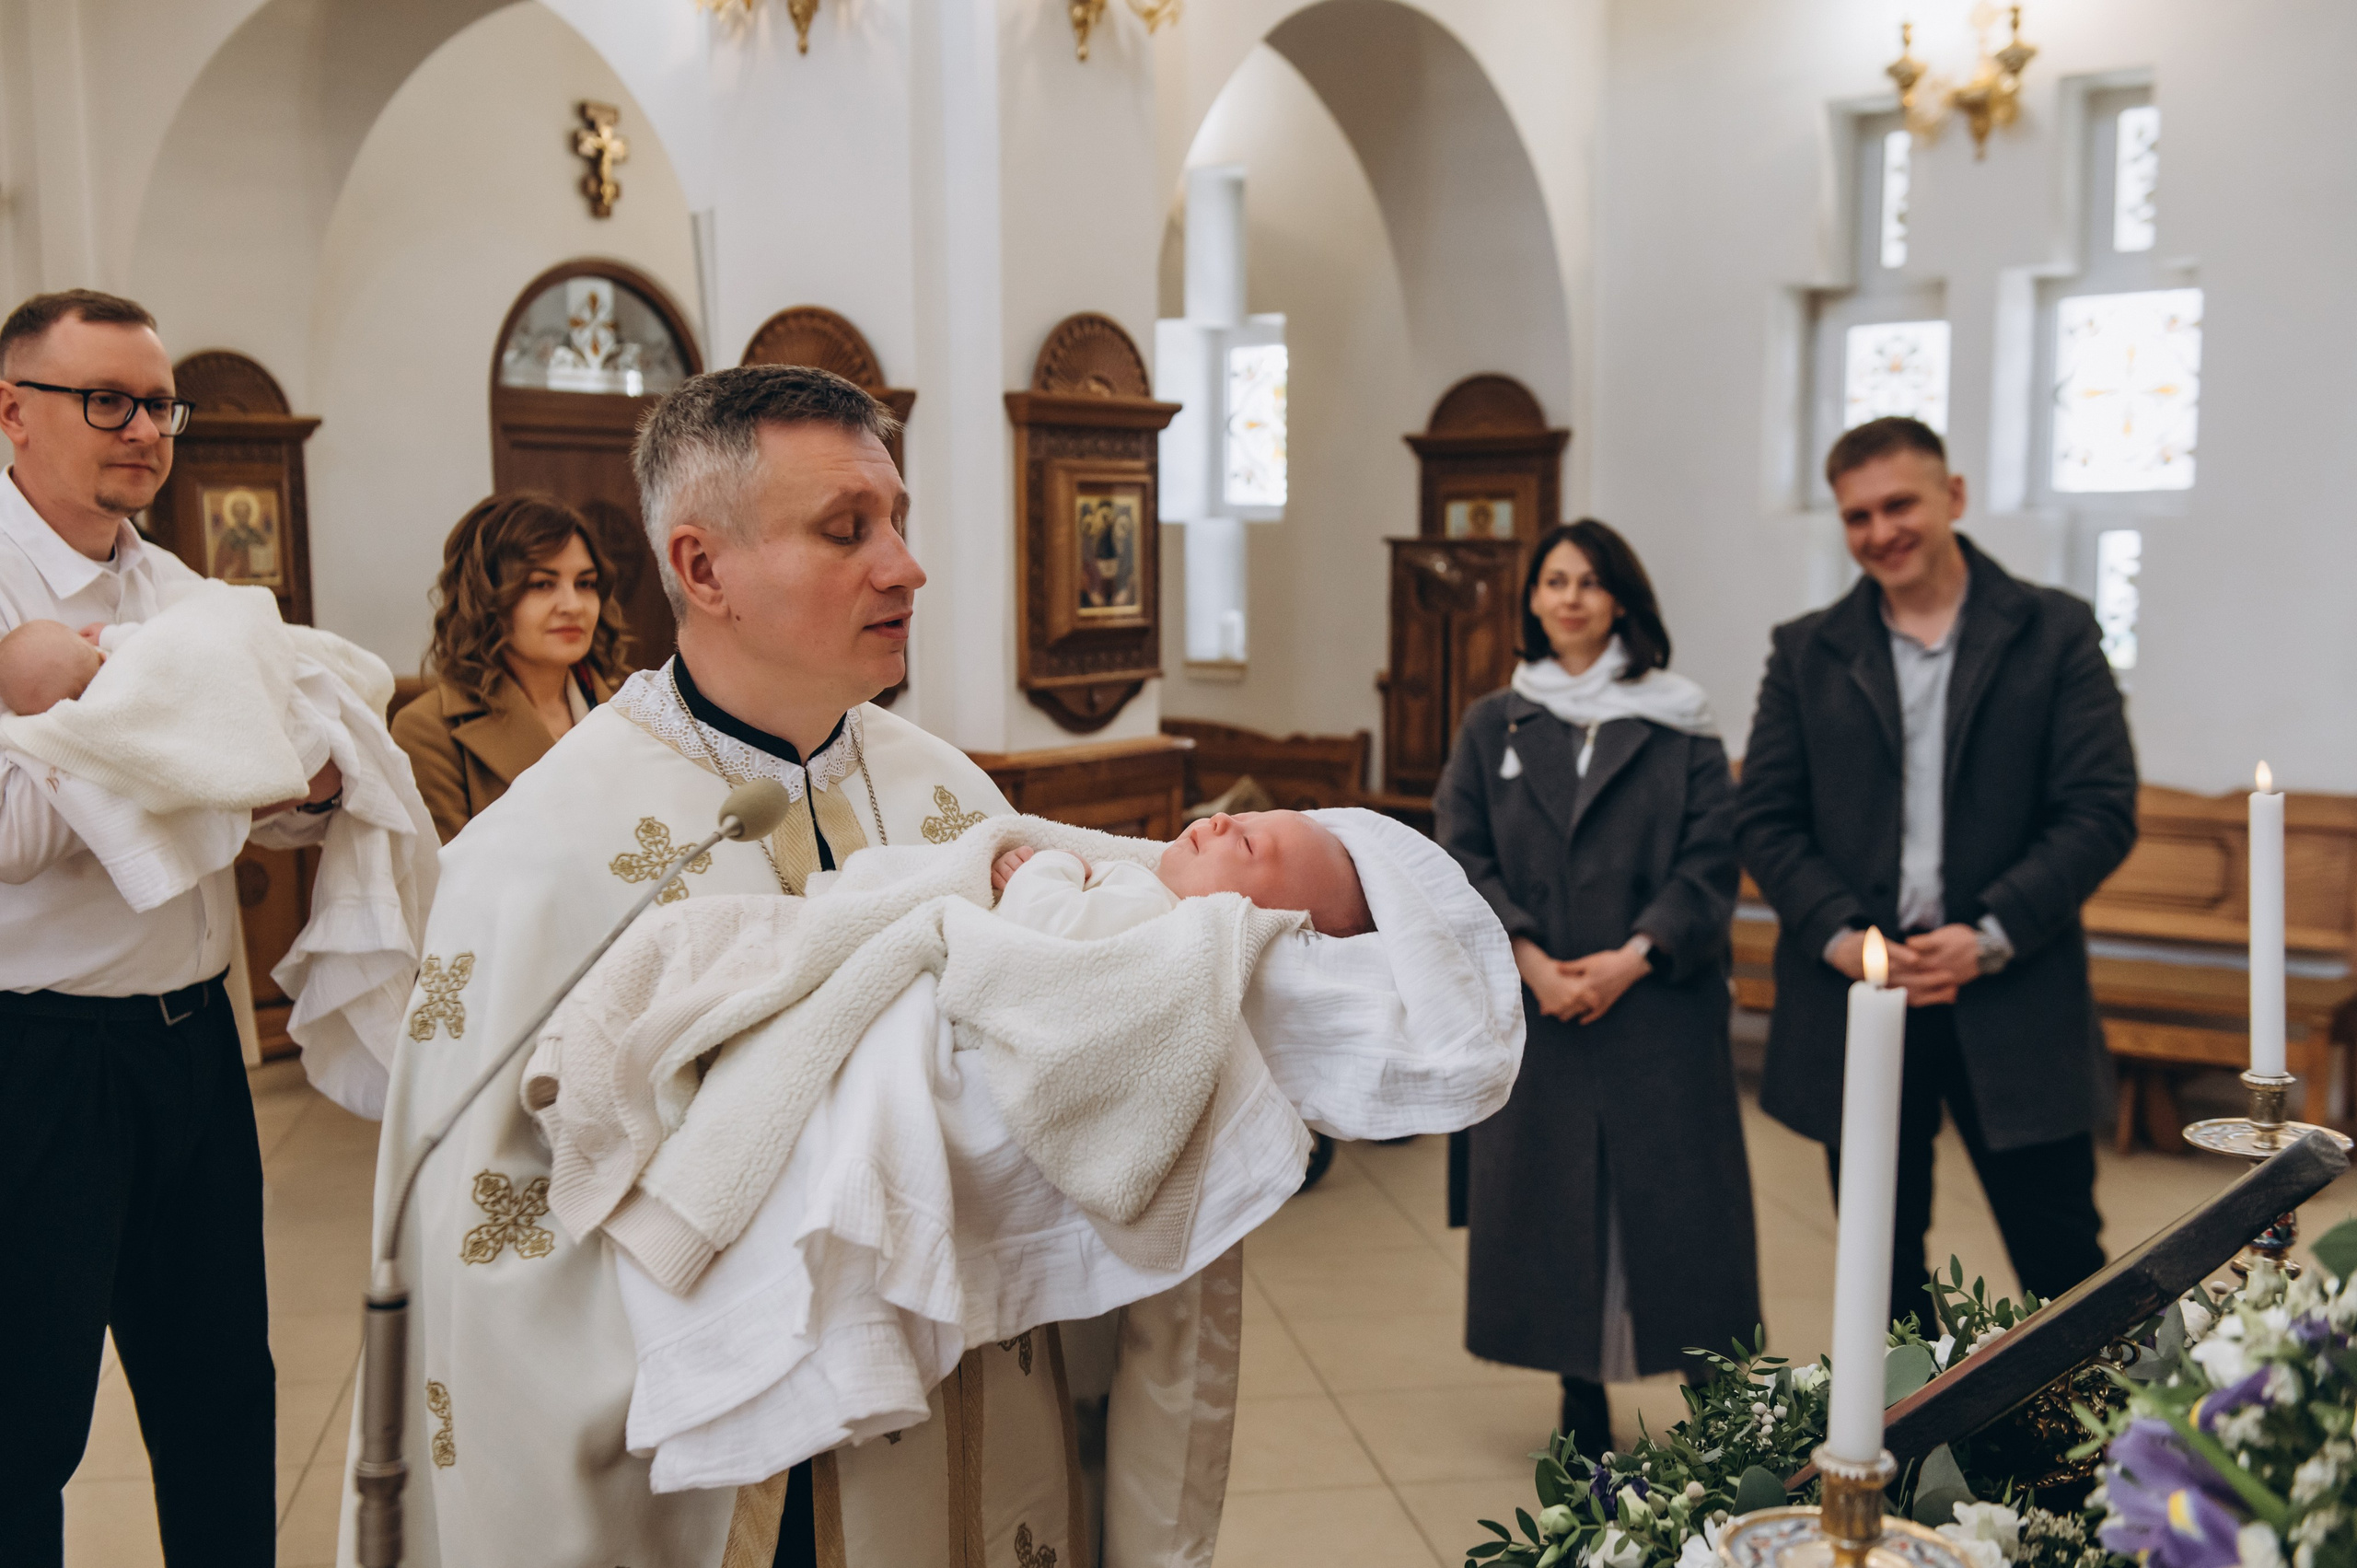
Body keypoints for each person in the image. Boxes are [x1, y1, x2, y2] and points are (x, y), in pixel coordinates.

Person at [360, 365, 1269, 1568]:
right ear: (701, 567)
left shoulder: (957, 796)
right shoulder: (533, 864)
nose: (905, 564)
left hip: (979, 1426)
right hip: (753, 1487)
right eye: (848, 529)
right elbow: (491, 1254)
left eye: (898, 520)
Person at [0, 288, 341, 1564]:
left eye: (159, 404)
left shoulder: (184, 589)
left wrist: (310, 781)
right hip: (36, 1055)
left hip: (191, 1042)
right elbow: (12, 839)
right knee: (25, 1416)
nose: (145, 428)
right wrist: (177, 751)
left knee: (218, 1396)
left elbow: (277, 798)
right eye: (109, 399)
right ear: (11, 412)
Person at [1734, 415, 2138, 1333]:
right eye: (1856, 514)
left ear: (1951, 496)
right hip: (1866, 994)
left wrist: (1988, 932)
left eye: (1898, 503)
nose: (1879, 530)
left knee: (2061, 1258)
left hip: (2012, 985)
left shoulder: (2053, 630)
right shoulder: (1806, 650)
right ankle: (1914, 1461)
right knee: (1881, 1267)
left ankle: (2099, 1462)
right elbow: (1763, 814)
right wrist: (1844, 935)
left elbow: (2099, 806)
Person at [1436, 517, 1759, 1454]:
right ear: (1533, 601)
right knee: (1559, 1204)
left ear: (1621, 597)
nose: (1568, 595)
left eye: (1587, 580)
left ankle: (1720, 1402)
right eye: (1552, 581)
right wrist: (1529, 957)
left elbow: (1709, 861)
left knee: (1677, 1207)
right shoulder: (1492, 719)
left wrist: (1631, 957)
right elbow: (1459, 851)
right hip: (1540, 1007)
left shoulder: (1678, 714)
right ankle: (1579, 1392)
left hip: (1656, 1002)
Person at [392, 493, 630, 842]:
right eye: (542, 584)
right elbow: (450, 887)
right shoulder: (427, 731)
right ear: (486, 598)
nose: (573, 605)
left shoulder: (635, 710)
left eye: (585, 583)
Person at [990, 807, 1376, 938]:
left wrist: (1046, 867)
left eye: (1248, 844)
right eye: (1244, 818)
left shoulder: (1156, 912)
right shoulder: (1151, 893)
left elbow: (1045, 925)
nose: (1223, 818)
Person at [0, 616, 104, 713]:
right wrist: (106, 634)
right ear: (103, 659)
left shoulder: (16, 729)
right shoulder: (115, 672)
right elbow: (121, 643)